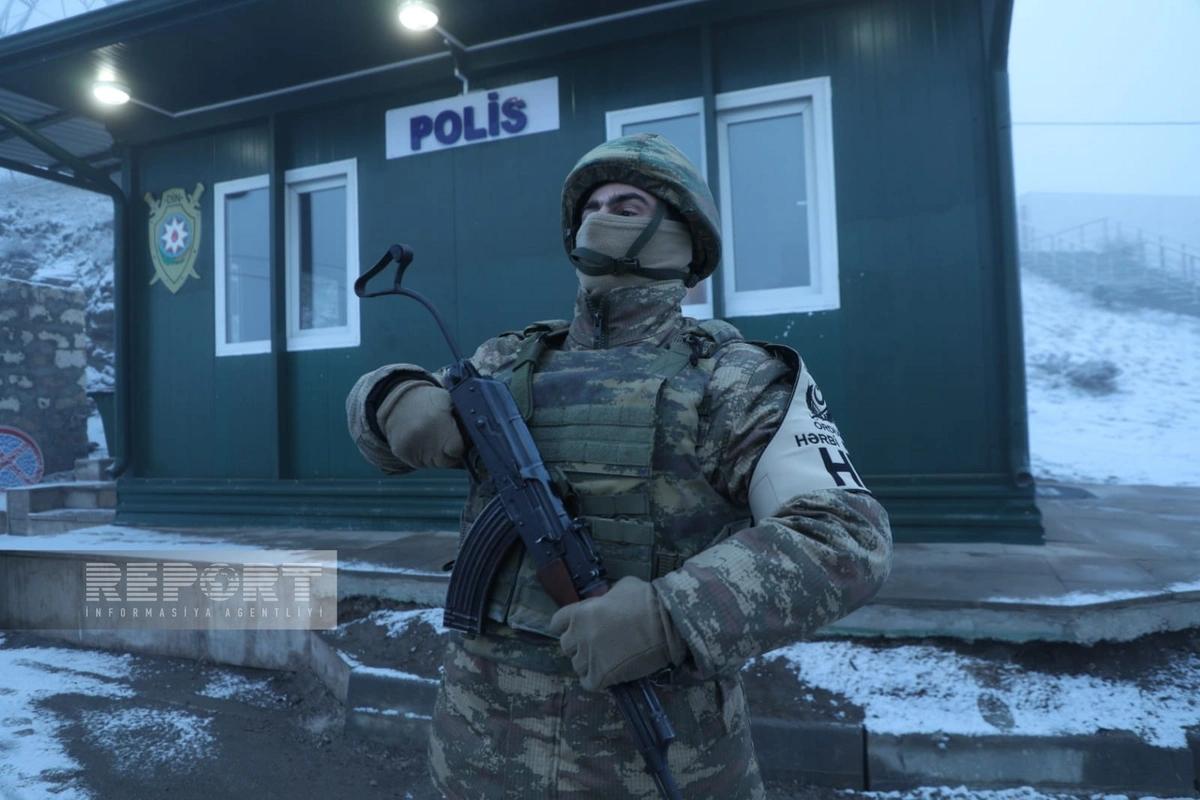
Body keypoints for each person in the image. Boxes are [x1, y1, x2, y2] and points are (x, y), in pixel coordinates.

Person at [346, 133, 892, 799]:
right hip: (477, 755)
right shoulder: (508, 363)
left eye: (628, 206)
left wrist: (673, 615)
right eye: (592, 207)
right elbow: (382, 433)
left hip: (659, 763)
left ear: (685, 240)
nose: (600, 218)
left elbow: (845, 536)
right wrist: (390, 397)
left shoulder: (736, 380)